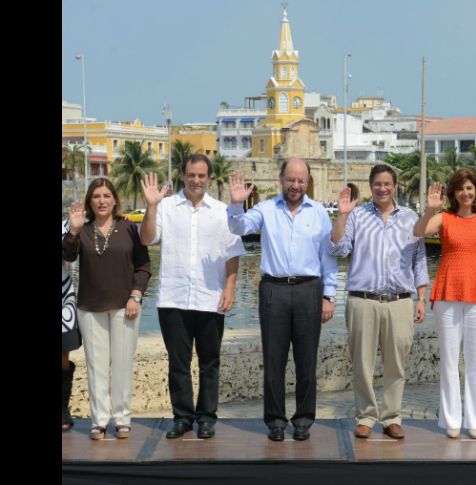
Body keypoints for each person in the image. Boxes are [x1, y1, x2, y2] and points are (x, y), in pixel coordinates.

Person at [227, 159, 338, 442]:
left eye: (301, 180)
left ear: (307, 181)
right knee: (274, 360)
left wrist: (329, 294)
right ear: (281, 179)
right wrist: (237, 204)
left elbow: (328, 257)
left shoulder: (320, 213)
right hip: (273, 289)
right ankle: (275, 420)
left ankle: (303, 419)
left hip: (309, 289)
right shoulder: (265, 209)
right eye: (291, 179)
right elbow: (238, 227)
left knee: (306, 360)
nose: (295, 185)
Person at [139, 154, 246, 440]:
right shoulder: (166, 207)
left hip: (211, 298)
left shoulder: (223, 211)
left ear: (209, 178)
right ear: (183, 175)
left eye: (201, 175)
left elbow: (233, 254)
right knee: (178, 362)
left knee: (210, 362)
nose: (196, 180)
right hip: (173, 298)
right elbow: (147, 239)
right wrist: (151, 207)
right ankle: (183, 417)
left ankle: (207, 417)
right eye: (191, 175)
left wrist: (230, 288)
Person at [329, 164, 428, 440]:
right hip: (363, 301)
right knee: (362, 362)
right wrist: (342, 215)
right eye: (377, 184)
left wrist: (422, 298)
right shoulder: (357, 216)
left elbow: (419, 260)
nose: (382, 189)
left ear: (394, 187)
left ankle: (392, 416)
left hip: (399, 301)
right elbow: (338, 248)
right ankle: (365, 416)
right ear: (371, 186)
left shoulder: (410, 218)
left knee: (396, 363)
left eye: (387, 184)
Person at [62, 178, 151, 440]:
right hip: (90, 308)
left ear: (114, 200)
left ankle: (122, 419)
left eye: (106, 196)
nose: (102, 201)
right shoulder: (83, 229)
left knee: (122, 365)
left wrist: (136, 296)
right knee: (96, 367)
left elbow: (144, 267)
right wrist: (75, 231)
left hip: (126, 308)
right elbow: (68, 255)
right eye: (96, 196)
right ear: (90, 201)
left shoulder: (128, 228)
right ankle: (99, 420)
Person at [413, 169, 476, 440]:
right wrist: (429, 209)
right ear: (453, 193)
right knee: (449, 361)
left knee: (475, 362)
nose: (466, 193)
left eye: (470, 188)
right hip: (447, 294)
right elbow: (418, 232)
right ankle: (450, 419)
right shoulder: (444, 218)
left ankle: (475, 420)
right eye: (461, 189)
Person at [62, 217, 82, 432]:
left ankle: (62, 408)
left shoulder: (66, 224)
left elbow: (70, 255)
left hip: (62, 298)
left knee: (62, 355)